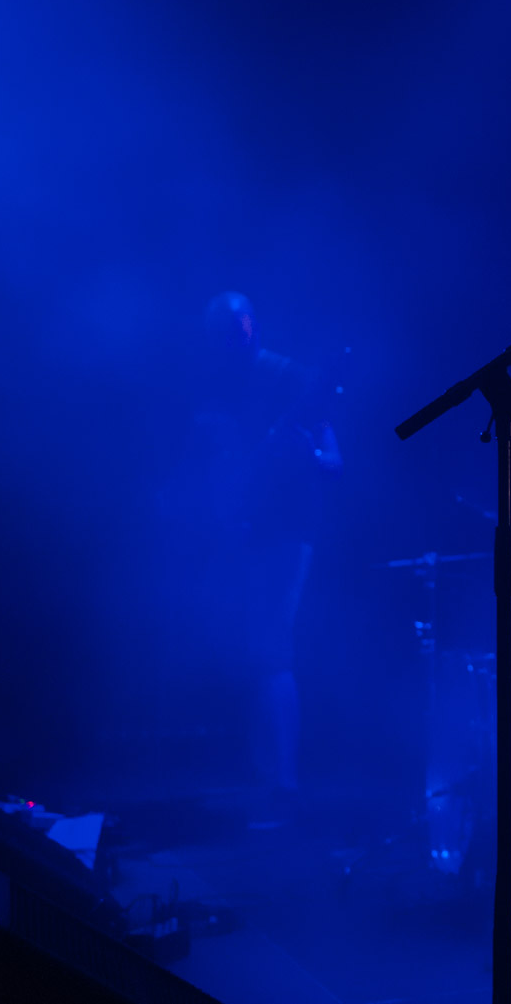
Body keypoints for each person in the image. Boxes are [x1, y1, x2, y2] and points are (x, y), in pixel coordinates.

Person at [180, 291, 342, 827]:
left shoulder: (289, 377)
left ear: (250, 325)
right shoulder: (219, 384)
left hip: (287, 531)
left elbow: (333, 459)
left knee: (272, 650)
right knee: (253, 650)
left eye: (233, 328)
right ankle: (267, 778)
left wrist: (306, 454)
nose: (225, 340)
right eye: (216, 332)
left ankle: (286, 788)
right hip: (245, 530)